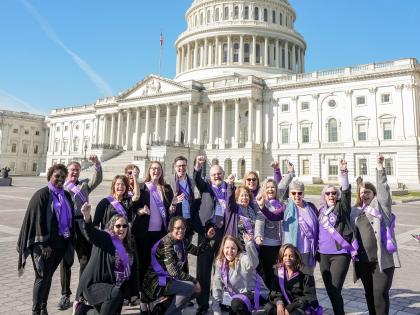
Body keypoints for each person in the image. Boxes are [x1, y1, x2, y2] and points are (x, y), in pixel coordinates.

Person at [17, 164, 75, 315]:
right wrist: (44, 245)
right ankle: (36, 310)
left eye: (63, 176)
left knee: (48, 276)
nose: (60, 179)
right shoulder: (42, 194)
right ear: (50, 176)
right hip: (44, 246)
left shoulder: (66, 195)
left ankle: (43, 308)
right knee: (41, 277)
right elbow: (36, 220)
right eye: (57, 176)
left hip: (60, 244)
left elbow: (71, 220)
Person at [350, 156, 400, 315]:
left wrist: (380, 168)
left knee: (380, 294)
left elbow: (384, 192)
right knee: (369, 295)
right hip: (363, 262)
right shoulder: (355, 211)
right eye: (362, 192)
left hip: (381, 261)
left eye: (368, 192)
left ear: (374, 193)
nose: (364, 194)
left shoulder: (381, 207)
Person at [142, 216, 215, 314]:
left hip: (168, 280)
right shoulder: (167, 243)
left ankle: (162, 308)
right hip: (156, 283)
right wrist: (194, 280)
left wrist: (207, 238)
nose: (180, 230)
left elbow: (198, 251)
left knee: (195, 291)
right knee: (190, 287)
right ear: (172, 228)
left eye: (183, 228)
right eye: (177, 228)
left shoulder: (182, 241)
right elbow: (173, 271)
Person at [58, 155, 103, 310]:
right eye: (72, 170)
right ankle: (65, 294)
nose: (75, 172)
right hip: (67, 226)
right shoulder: (61, 185)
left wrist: (97, 164)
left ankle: (83, 292)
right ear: (66, 171)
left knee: (85, 260)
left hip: (82, 225)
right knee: (66, 261)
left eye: (77, 170)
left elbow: (97, 180)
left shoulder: (84, 185)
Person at [131, 161, 176, 313]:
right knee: (144, 266)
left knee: (157, 267)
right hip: (144, 234)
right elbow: (134, 208)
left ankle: (155, 296)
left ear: (162, 171)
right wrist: (141, 212)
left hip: (160, 234)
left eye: (158, 169)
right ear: (149, 171)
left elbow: (169, 212)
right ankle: (144, 299)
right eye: (153, 169)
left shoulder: (166, 189)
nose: (156, 171)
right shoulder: (143, 187)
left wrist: (173, 206)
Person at [75, 204, 134, 315]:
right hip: (94, 285)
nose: (121, 229)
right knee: (115, 293)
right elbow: (91, 234)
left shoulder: (129, 244)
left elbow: (133, 270)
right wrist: (87, 218)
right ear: (112, 227)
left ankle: (84, 311)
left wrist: (134, 293)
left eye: (124, 226)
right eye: (118, 226)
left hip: (112, 287)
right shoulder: (106, 238)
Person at [317, 159, 356, 315]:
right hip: (323, 255)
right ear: (324, 196)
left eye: (334, 193)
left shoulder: (342, 207)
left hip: (340, 254)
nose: (331, 195)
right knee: (330, 290)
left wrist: (344, 173)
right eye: (328, 193)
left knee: (335, 289)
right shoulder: (320, 211)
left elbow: (346, 193)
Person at [193, 156, 229, 314]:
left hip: (224, 233)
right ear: (210, 176)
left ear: (223, 174)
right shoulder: (206, 187)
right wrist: (198, 167)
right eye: (214, 174)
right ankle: (202, 303)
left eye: (219, 173)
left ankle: (221, 300)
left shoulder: (229, 188)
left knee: (222, 269)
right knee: (203, 268)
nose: (217, 176)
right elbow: (196, 179)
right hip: (206, 232)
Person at [254, 161, 294, 289]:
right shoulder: (263, 203)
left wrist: (289, 172)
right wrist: (258, 235)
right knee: (267, 272)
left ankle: (277, 294)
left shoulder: (279, 201)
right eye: (268, 187)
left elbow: (283, 184)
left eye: (273, 187)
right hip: (266, 245)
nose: (271, 189)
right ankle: (268, 296)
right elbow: (260, 220)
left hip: (280, 245)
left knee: (278, 272)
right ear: (264, 190)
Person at [212, 235, 269, 315]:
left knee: (236, 304)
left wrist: (249, 244)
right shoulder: (220, 262)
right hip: (237, 297)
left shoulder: (243, 258)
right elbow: (216, 287)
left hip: (257, 293)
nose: (230, 251)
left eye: (233, 248)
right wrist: (216, 311)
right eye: (227, 247)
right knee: (233, 307)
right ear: (223, 248)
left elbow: (254, 264)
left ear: (238, 249)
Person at [265, 244, 321, 315]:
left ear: (296, 257)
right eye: (285, 255)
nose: (287, 258)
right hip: (283, 303)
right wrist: (279, 302)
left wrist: (291, 307)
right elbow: (274, 291)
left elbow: (310, 296)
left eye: (291, 256)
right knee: (268, 308)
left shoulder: (305, 274)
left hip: (299, 306)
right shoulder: (277, 271)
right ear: (281, 257)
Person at [283, 179, 319, 275]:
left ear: (303, 194)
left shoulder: (311, 207)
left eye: (299, 193)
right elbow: (273, 215)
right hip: (291, 251)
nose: (297, 196)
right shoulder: (285, 207)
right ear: (290, 194)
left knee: (307, 278)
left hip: (307, 250)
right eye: (293, 193)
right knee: (292, 278)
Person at [169, 156, 199, 243]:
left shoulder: (191, 181)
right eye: (179, 166)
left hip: (188, 220)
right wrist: (173, 203)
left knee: (186, 247)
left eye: (183, 165)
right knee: (175, 247)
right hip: (176, 221)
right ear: (174, 167)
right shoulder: (169, 181)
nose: (181, 168)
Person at [225, 176, 257, 248]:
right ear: (237, 198)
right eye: (242, 195)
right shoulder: (234, 208)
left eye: (246, 195)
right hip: (235, 245)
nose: (244, 198)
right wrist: (230, 184)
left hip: (250, 245)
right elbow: (229, 200)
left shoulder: (251, 210)